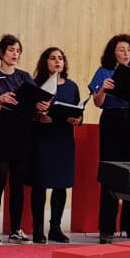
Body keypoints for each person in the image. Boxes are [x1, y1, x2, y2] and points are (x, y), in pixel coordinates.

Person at [89, 34, 130, 243]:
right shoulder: (104, 71)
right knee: (110, 173)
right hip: (112, 121)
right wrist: (103, 90)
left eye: (129, 49)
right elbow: (97, 103)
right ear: (113, 52)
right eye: (121, 50)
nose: (126, 53)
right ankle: (106, 228)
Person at [0, 34, 34, 245]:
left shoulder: (24, 76)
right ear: (1, 52)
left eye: (18, 51)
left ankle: (16, 228)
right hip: (1, 133)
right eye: (11, 50)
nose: (15, 54)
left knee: (18, 184)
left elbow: (35, 97)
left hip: (21, 133)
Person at [29, 47, 81, 244]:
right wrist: (37, 115)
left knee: (61, 186)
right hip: (42, 139)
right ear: (45, 62)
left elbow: (78, 110)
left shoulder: (72, 86)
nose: (57, 61)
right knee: (40, 185)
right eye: (53, 58)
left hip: (64, 139)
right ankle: (38, 230)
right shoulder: (35, 84)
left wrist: (78, 119)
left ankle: (55, 228)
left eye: (61, 58)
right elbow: (25, 112)